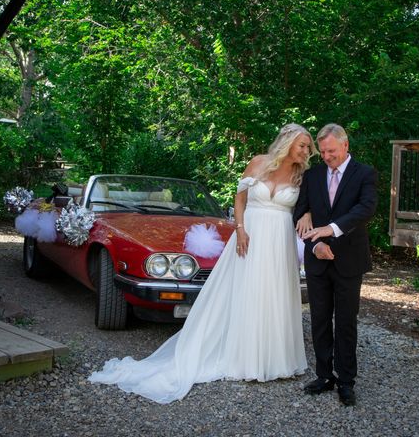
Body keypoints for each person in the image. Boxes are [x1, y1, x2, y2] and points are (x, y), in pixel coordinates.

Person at [88, 123, 316, 404]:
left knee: (274, 295)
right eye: (302, 145)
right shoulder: (258, 163)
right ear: (287, 142)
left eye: (308, 147)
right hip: (251, 236)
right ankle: (243, 358)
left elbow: (310, 205)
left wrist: (307, 215)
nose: (306, 151)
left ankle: (276, 360)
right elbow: (240, 197)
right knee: (247, 292)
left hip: (279, 240)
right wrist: (240, 228)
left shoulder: (303, 176)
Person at [293, 123, 377, 406]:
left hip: (349, 261)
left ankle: (346, 381)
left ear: (345, 145)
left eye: (331, 151)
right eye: (323, 152)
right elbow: (300, 214)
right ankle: (323, 375)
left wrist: (331, 230)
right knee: (318, 320)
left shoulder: (364, 173)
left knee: (345, 322)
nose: (326, 156)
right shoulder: (313, 175)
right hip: (317, 260)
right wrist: (315, 244)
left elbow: (364, 210)